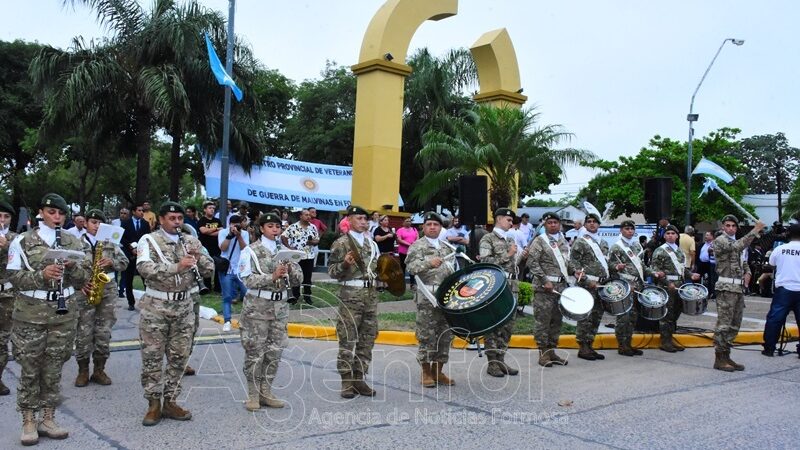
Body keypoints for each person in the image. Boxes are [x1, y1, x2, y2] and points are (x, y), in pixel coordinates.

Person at [7, 193, 92, 445]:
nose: (57, 217)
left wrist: (73, 267)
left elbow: (85, 276)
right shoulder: (23, 240)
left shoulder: (72, 241)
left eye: (61, 213)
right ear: (41, 213)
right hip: (31, 314)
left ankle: (47, 417)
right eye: (52, 212)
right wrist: (42, 275)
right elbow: (14, 276)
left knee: (54, 367)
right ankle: (28, 420)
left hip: (62, 314)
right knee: (30, 368)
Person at [136, 202, 213, 426]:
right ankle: (153, 404)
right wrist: (176, 267)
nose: (177, 222)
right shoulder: (148, 241)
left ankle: (170, 401)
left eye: (180, 218)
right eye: (172, 218)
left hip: (184, 307)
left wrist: (199, 258)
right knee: (152, 357)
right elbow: (144, 268)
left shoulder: (190, 240)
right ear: (161, 220)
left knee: (179, 357)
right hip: (156, 307)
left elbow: (210, 269)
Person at [238, 212, 302, 410]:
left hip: (280, 307)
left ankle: (266, 391)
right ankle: (252, 394)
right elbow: (246, 279)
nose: (275, 230)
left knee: (274, 351)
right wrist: (271, 277)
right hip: (257, 306)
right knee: (255, 351)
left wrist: (290, 269)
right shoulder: (250, 251)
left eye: (277, 226)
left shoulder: (284, 250)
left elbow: (298, 279)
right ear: (262, 228)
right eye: (270, 226)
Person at [328, 205, 380, 398]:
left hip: (370, 296)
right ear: (349, 220)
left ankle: (359, 377)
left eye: (366, 219)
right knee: (348, 338)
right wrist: (344, 264)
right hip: (350, 295)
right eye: (359, 218)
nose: (363, 222)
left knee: (367, 338)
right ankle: (346, 381)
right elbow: (332, 271)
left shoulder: (371, 244)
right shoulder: (341, 243)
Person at [73, 210, 129, 388]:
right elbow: (69, 268)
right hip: (85, 290)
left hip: (107, 290)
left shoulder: (111, 243)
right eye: (93, 222)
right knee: (83, 332)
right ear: (86, 223)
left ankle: (99, 370)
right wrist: (79, 284)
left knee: (103, 332)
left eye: (99, 223)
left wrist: (112, 263)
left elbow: (125, 262)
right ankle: (83, 371)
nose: (96, 226)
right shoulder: (76, 243)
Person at [406, 212, 456, 386]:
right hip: (427, 296)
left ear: (440, 227)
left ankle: (438, 371)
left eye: (436, 224)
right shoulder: (417, 246)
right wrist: (428, 263)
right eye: (429, 224)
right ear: (424, 227)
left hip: (446, 297)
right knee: (427, 334)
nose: (432, 227)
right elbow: (411, 268)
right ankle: (426, 372)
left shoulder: (447, 247)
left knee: (445, 334)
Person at [712, 215, 765, 372]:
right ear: (723, 227)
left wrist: (747, 272)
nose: (730, 228)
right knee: (724, 324)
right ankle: (719, 358)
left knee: (735, 324)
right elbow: (736, 247)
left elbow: (743, 261)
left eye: (733, 226)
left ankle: (727, 355)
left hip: (738, 288)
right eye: (727, 225)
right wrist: (755, 230)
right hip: (726, 287)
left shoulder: (736, 243)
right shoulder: (721, 240)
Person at [480, 208, 525, 377]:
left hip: (511, 283)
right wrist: (508, 254)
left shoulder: (511, 238)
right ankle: (492, 363)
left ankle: (501, 359)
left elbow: (513, 262)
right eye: (508, 219)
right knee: (494, 324)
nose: (511, 223)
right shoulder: (488, 238)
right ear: (498, 219)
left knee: (508, 324)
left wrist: (519, 256)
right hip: (497, 286)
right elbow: (485, 262)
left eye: (511, 220)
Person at [526, 212, 572, 367]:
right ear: (545, 225)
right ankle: (543, 353)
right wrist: (544, 280)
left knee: (556, 321)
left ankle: (552, 352)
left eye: (555, 222)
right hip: (544, 288)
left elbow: (566, 263)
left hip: (560, 287)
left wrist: (575, 271)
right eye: (550, 222)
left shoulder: (563, 241)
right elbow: (532, 262)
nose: (553, 225)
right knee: (543, 321)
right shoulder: (540, 241)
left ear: (559, 224)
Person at [608, 220, 657, 356]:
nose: (629, 231)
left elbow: (641, 265)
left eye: (631, 229)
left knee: (633, 316)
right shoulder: (616, 247)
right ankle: (622, 345)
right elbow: (610, 265)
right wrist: (616, 267)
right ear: (621, 230)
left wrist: (653, 273)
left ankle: (628, 343)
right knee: (623, 316)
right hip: (625, 285)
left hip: (638, 285)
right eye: (627, 229)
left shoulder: (636, 246)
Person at [650, 225, 700, 353]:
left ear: (677, 236)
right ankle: (665, 341)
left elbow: (682, 269)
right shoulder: (660, 251)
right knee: (666, 315)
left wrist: (691, 275)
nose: (671, 235)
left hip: (679, 286)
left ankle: (670, 338)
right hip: (667, 286)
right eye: (668, 233)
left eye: (673, 233)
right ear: (664, 236)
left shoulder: (679, 251)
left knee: (675, 313)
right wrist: (666, 282)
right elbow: (655, 271)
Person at [570, 212, 608, 361]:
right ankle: (583, 347)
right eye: (589, 221)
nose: (592, 224)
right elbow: (573, 264)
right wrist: (586, 280)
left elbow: (606, 263)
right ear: (585, 225)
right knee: (585, 316)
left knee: (597, 316)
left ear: (599, 225)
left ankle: (590, 344)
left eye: (595, 222)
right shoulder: (581, 242)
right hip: (586, 285)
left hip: (601, 285)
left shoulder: (603, 243)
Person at [762, 224, 800, 356]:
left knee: (775, 319)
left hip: (784, 289)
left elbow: (771, 265)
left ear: (788, 235)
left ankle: (769, 348)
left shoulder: (780, 249)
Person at [218, 215, 250, 331]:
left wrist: (239, 236)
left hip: (240, 269)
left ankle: (247, 319)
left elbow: (244, 249)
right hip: (227, 269)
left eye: (237, 224)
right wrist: (230, 236)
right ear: (229, 223)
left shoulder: (245, 234)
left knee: (248, 294)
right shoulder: (223, 232)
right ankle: (227, 321)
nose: (235, 226)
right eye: (233, 223)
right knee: (227, 296)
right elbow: (223, 248)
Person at [282, 209, 320, 305]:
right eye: (306, 215)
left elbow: (317, 240)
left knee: (307, 278)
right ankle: (295, 296)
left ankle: (307, 297)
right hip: (297, 257)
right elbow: (283, 236)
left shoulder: (313, 227)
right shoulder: (293, 227)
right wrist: (289, 247)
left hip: (309, 256)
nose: (309, 217)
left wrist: (312, 242)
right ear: (301, 216)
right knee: (296, 277)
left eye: (309, 215)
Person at [0, 198, 18, 396]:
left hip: (6, 295)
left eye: (6, 217)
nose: (2, 221)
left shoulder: (15, 239)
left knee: (2, 339)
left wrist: (5, 246)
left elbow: (19, 264)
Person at [121, 203, 151, 310]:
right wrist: (131, 248)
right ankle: (131, 302)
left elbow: (148, 238)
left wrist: (141, 250)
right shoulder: (125, 223)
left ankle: (148, 302)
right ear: (133, 212)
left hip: (142, 255)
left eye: (142, 210)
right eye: (139, 210)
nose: (142, 212)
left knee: (145, 279)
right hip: (130, 255)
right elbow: (123, 238)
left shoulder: (145, 224)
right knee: (129, 280)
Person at [198, 201, 223, 292]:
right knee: (206, 266)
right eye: (210, 208)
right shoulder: (202, 220)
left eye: (213, 208)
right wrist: (216, 229)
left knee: (217, 266)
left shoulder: (217, 221)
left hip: (216, 247)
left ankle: (217, 287)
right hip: (205, 247)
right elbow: (203, 231)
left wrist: (210, 232)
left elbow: (221, 233)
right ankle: (206, 286)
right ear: (205, 210)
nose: (212, 210)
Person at [395, 217, 419, 288]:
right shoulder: (400, 230)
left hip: (412, 252)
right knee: (403, 267)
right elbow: (399, 239)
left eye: (409, 221)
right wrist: (408, 244)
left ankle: (412, 284)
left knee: (412, 267)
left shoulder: (414, 229)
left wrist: (414, 243)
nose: (409, 222)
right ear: (403, 222)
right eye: (407, 221)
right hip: (403, 251)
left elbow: (417, 237)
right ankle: (402, 284)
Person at [697, 231, 717, 298]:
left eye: (708, 235)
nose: (706, 236)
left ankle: (710, 293)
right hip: (702, 263)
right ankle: (697, 291)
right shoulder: (703, 244)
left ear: (712, 237)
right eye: (706, 235)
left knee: (711, 279)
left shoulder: (714, 244)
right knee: (697, 276)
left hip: (710, 263)